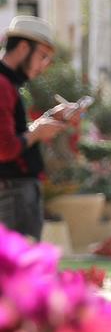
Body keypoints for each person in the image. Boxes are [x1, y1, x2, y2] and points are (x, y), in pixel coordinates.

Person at [0, 16, 77, 240]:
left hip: (16, 192)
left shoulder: (10, 84)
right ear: (23, 47)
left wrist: (48, 119)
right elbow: (5, 148)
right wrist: (37, 132)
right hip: (14, 193)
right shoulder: (3, 84)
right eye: (42, 56)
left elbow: (13, 135)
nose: (44, 66)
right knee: (19, 272)